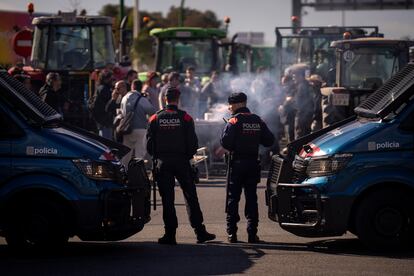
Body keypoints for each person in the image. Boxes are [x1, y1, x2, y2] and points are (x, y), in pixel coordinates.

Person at [146, 86, 216, 245]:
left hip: (163, 162)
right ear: (178, 100)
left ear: (165, 99)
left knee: (168, 199)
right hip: (182, 162)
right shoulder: (185, 118)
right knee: (191, 196)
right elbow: (193, 143)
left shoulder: (154, 119)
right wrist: (188, 157)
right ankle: (200, 232)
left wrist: (158, 157)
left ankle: (170, 234)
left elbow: (150, 146)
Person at [220, 92, 274, 243]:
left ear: (238, 104)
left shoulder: (234, 121)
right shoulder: (258, 120)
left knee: (232, 199)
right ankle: (252, 233)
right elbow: (269, 140)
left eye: (230, 104)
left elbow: (225, 143)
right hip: (252, 164)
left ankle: (232, 233)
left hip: (236, 164)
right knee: (252, 199)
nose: (229, 107)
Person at [120, 79, 156, 166]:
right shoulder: (142, 99)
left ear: (132, 87)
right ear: (141, 88)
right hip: (140, 129)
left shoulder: (124, 98)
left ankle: (125, 173)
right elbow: (152, 111)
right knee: (139, 154)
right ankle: (137, 173)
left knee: (126, 154)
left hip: (126, 129)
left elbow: (121, 112)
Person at [93, 70, 115, 139]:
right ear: (105, 79)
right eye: (111, 79)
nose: (112, 81)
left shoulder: (100, 88)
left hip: (102, 121)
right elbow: (109, 105)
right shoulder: (104, 89)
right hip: (105, 121)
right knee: (106, 142)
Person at [292, 68, 314, 139]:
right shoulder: (308, 85)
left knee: (300, 136)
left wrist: (291, 101)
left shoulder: (301, 86)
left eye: (295, 76)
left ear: (300, 76)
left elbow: (298, 102)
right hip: (308, 115)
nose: (293, 78)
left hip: (302, 116)